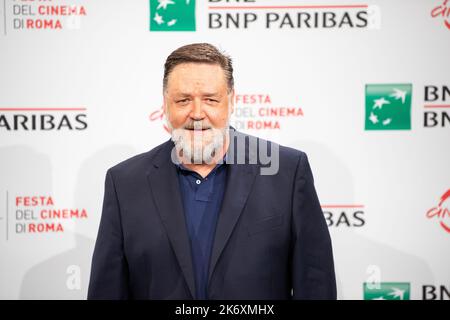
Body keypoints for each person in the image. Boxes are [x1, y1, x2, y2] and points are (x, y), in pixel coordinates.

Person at [88, 43, 336, 300]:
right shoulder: (125, 184)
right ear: (165, 105)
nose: (197, 113)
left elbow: (315, 284)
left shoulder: (287, 172)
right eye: (183, 100)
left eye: (210, 100)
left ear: (231, 101)